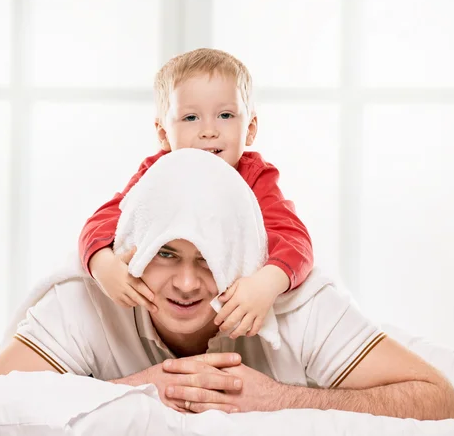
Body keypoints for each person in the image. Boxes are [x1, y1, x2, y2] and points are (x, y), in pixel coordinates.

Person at [0, 150, 454, 421]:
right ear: (133, 250)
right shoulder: (87, 296)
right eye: (166, 254)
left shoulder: (296, 302)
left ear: (242, 260)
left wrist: (281, 399)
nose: (187, 283)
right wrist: (131, 391)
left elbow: (440, 399)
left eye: (209, 261)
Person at [79, 48, 313, 339]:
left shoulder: (255, 177)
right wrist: (104, 265)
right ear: (163, 134)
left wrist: (266, 284)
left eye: (225, 115)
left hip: (230, 319)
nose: (209, 131)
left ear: (250, 128)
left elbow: (295, 240)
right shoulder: (156, 173)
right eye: (190, 118)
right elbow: (102, 221)